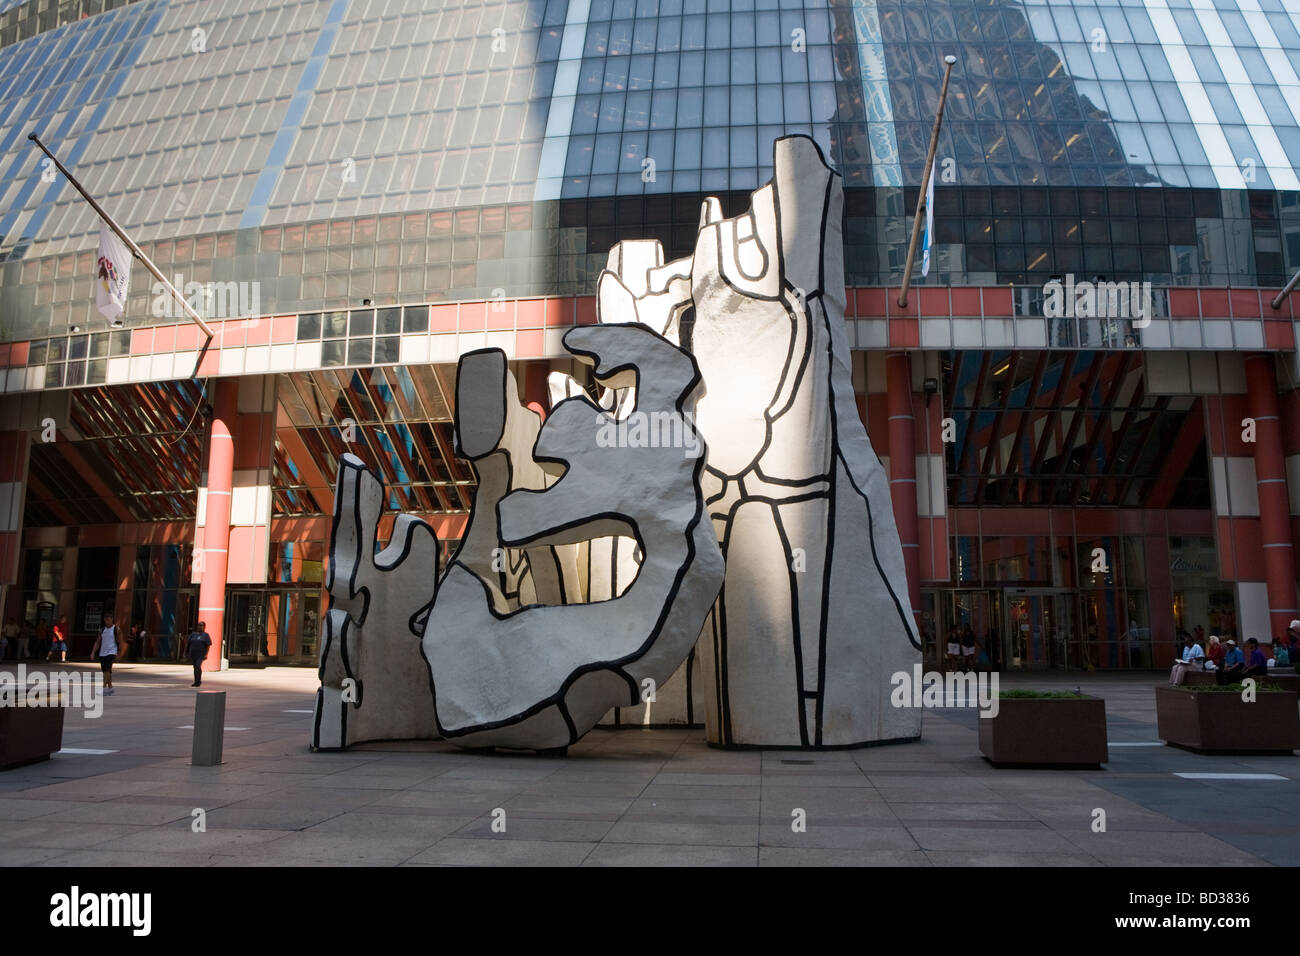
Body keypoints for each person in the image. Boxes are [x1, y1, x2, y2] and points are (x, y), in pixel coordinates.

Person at [90, 612, 121, 696]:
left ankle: (104, 688)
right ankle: (110, 688)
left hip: (111, 652)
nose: (107, 621)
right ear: (104, 620)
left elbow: (120, 641)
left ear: (112, 619)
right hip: (102, 653)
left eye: (109, 619)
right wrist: (93, 652)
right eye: (106, 620)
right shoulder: (102, 630)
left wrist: (119, 653)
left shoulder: (116, 629)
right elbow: (97, 642)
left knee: (107, 670)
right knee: (106, 671)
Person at [187, 622, 213, 687]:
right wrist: (187, 652)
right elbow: (188, 644)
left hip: (201, 654)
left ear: (204, 627)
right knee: (195, 667)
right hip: (193, 653)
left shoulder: (206, 635)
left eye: (201, 625)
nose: (199, 627)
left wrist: (206, 654)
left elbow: (208, 645)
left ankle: (198, 681)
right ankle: (196, 681)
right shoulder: (193, 634)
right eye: (198, 625)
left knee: (198, 666)